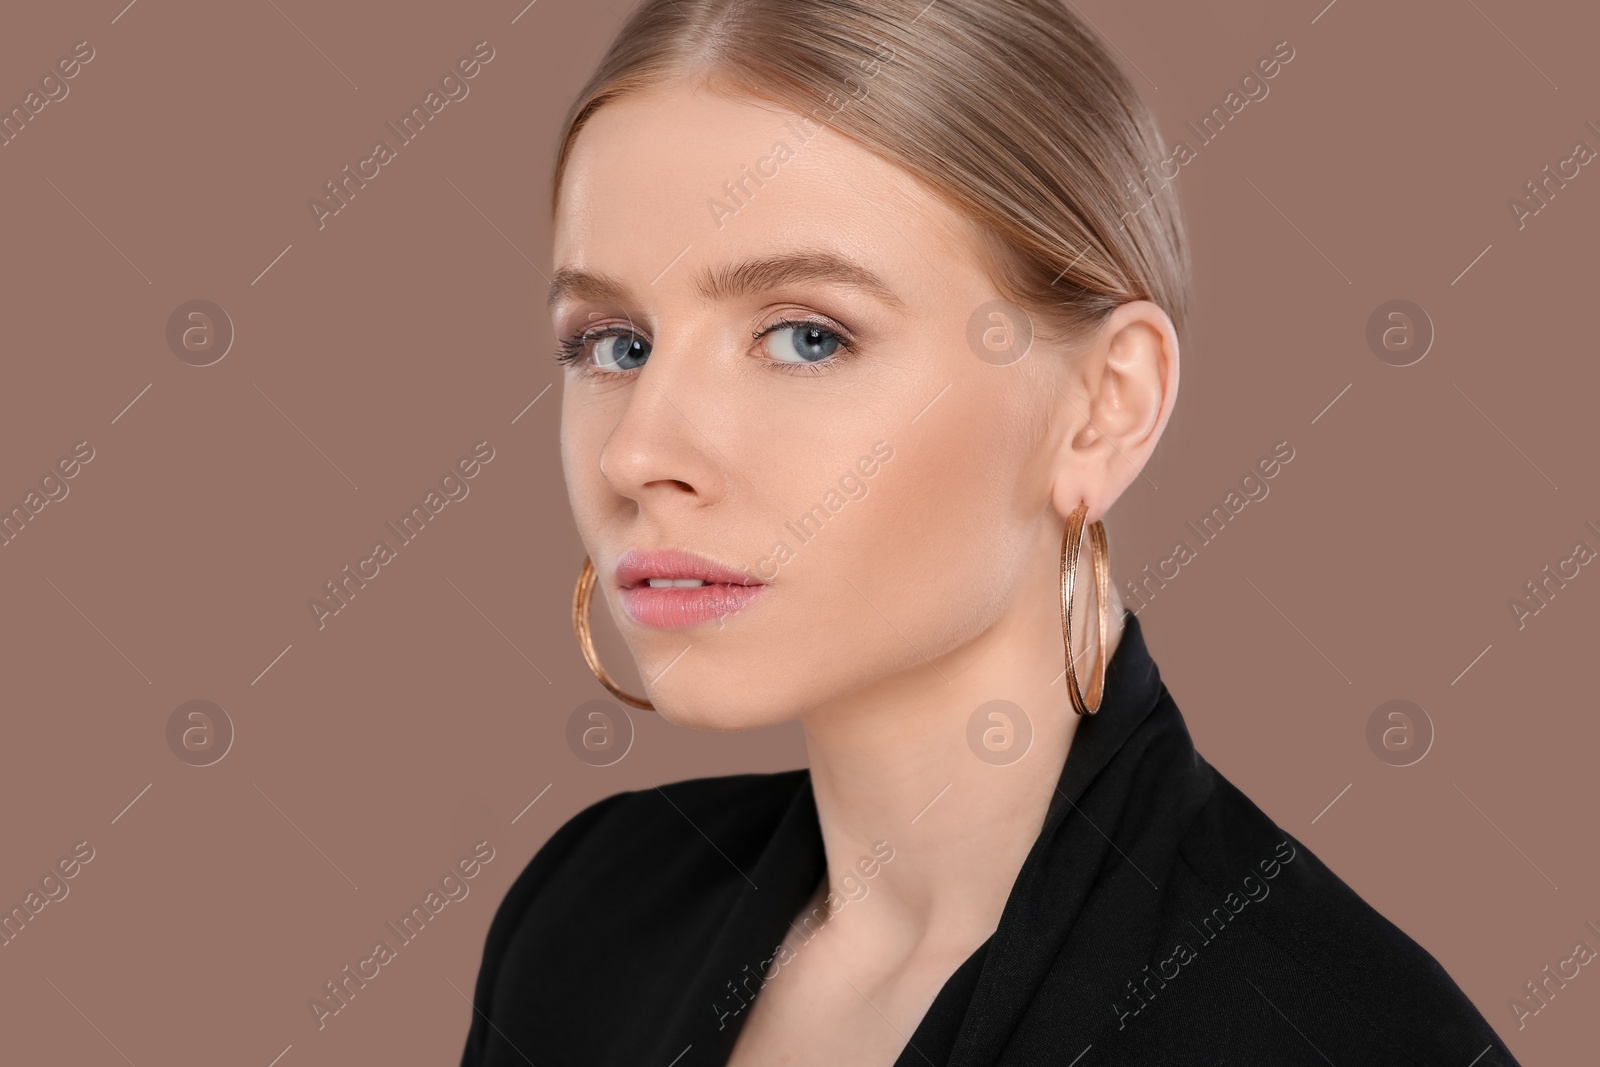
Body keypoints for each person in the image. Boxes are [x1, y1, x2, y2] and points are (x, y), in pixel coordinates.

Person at [462, 1, 1520, 1063]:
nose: (638, 453)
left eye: (806, 335)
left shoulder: (1346, 1036)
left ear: (1104, 405)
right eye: (614, 343)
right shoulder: (588, 919)